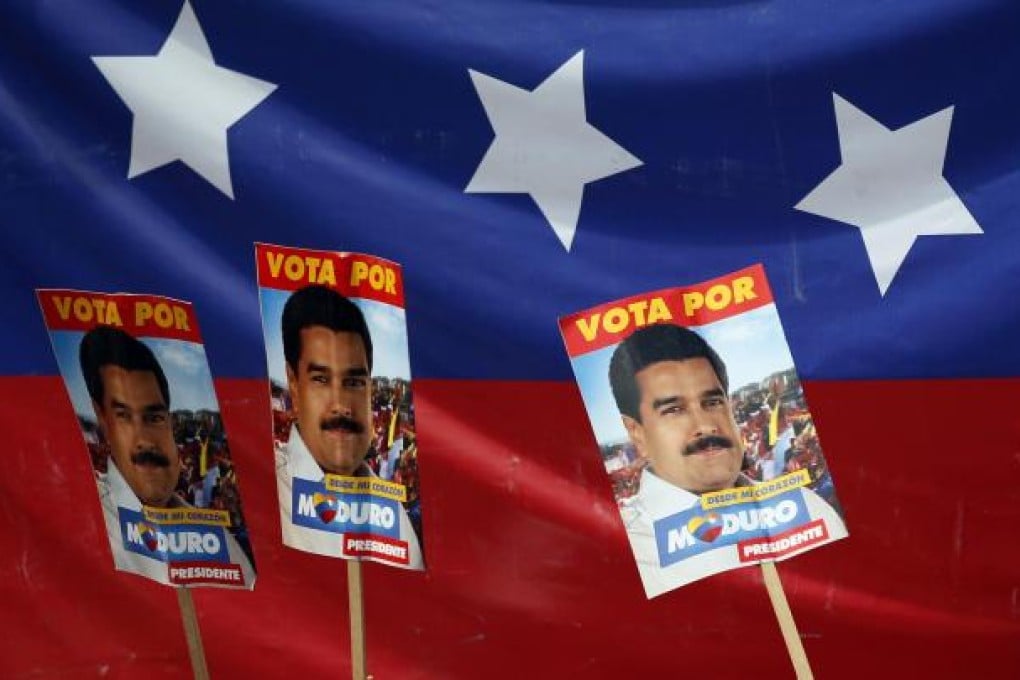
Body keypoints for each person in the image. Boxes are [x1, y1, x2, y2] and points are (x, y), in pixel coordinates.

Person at [608, 323, 846, 597]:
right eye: (674, 409)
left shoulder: (807, 508)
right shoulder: (631, 552)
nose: (705, 425)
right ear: (637, 433)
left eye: (712, 403)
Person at [79, 325, 254, 587]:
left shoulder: (222, 543)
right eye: (124, 416)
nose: (145, 440)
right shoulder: (89, 528)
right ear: (101, 417)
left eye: (155, 417)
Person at [275, 285, 423, 568]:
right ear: (293, 383)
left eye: (354, 382)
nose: (341, 404)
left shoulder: (393, 514)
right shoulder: (270, 495)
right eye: (320, 379)